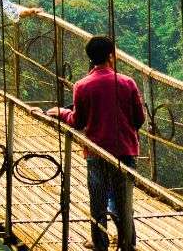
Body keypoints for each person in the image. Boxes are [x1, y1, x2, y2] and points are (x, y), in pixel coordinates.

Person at [46, 36, 145, 251]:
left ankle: (100, 243)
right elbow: (140, 118)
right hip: (125, 151)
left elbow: (78, 121)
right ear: (111, 56)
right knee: (124, 200)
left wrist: (63, 112)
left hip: (96, 152)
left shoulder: (82, 86)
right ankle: (128, 242)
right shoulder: (128, 83)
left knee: (98, 199)